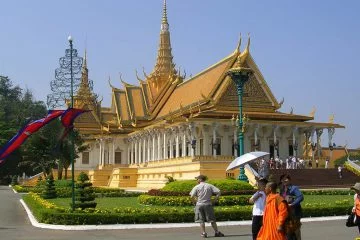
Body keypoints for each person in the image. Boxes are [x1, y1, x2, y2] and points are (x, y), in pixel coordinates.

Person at [279, 174, 304, 240]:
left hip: (294, 213)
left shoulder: (294, 188)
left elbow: (300, 197)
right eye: (282, 179)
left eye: (286, 179)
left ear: (289, 180)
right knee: (288, 232)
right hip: (286, 213)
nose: (284, 180)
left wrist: (292, 204)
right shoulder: (282, 189)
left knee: (295, 231)